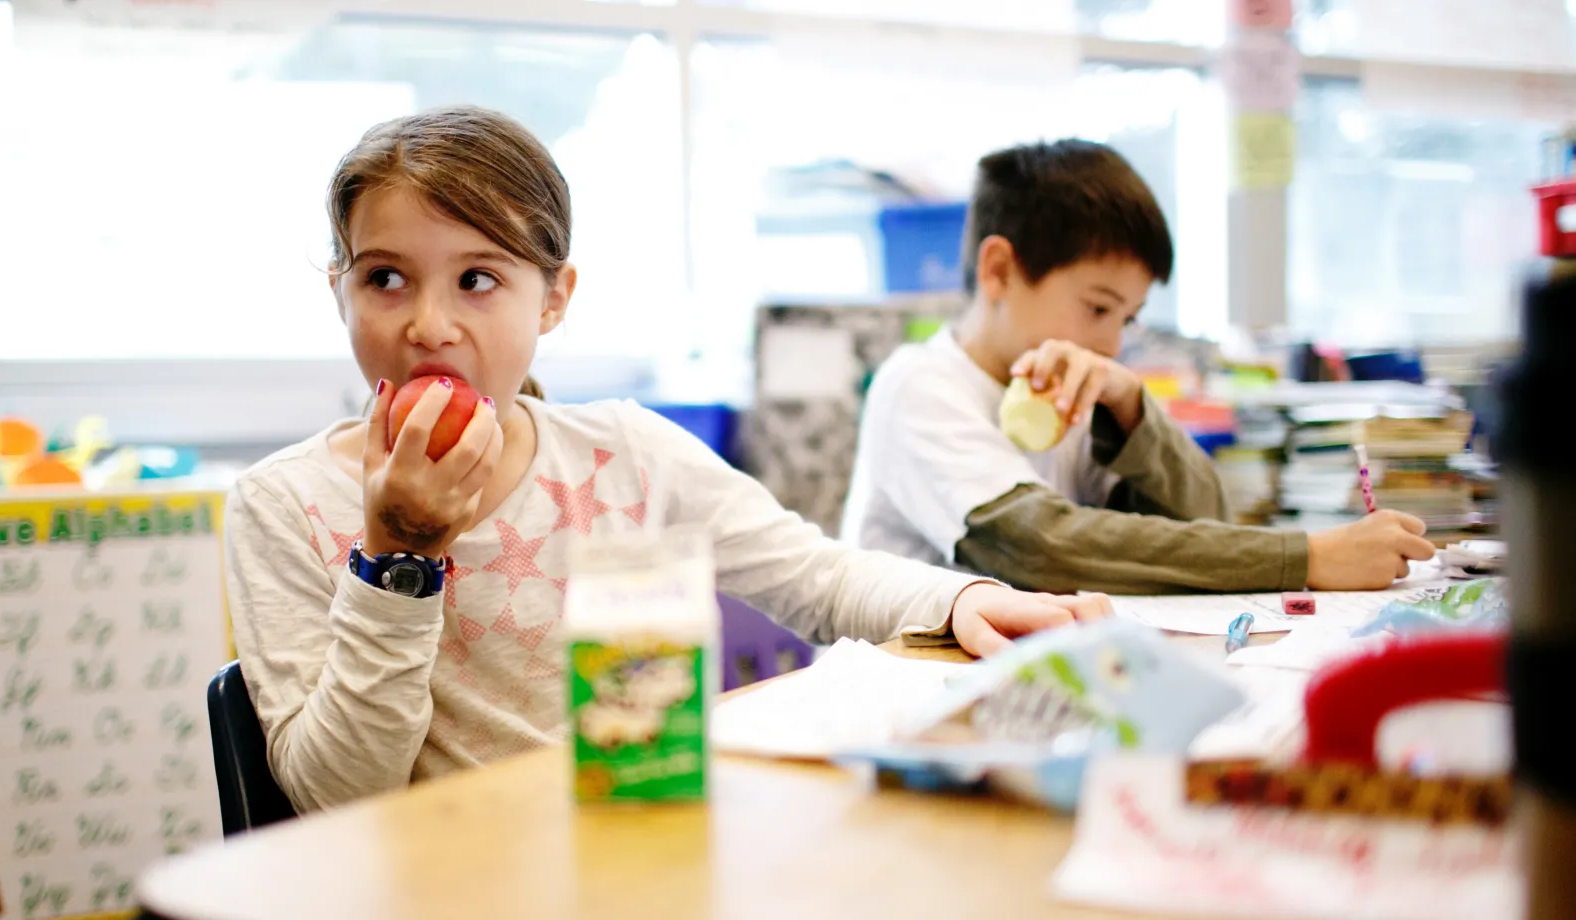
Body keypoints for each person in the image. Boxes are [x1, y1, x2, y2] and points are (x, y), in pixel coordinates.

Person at [224, 106, 1111, 812]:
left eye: (478, 279)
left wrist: (967, 597)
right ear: (339, 288)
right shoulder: (282, 503)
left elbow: (819, 578)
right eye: (384, 278)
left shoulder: (624, 455)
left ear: (554, 300)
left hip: (631, 853)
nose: (428, 325)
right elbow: (338, 798)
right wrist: (399, 555)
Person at [841, 139, 1435, 595]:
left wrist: (1130, 410)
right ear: (999, 270)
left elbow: (1205, 517)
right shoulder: (918, 385)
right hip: (893, 687)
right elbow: (1037, 547)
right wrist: (1309, 557)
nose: (1109, 344)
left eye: (1126, 319)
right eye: (1097, 307)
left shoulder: (1068, 396)